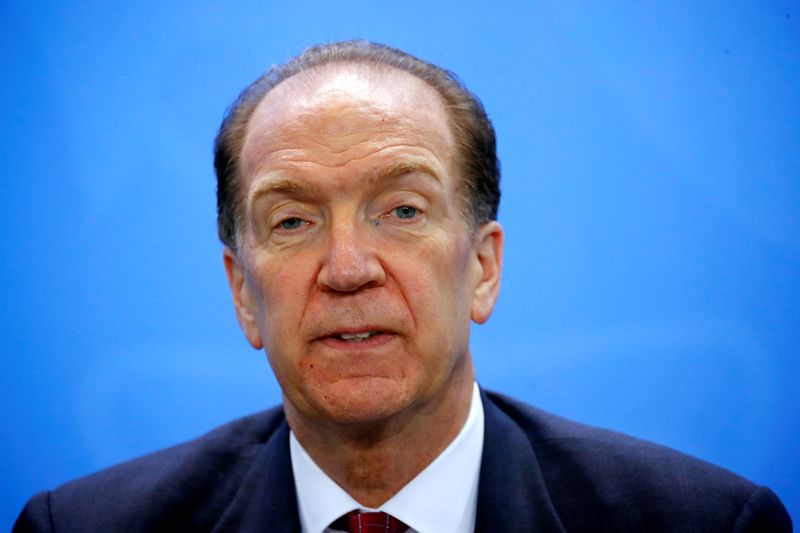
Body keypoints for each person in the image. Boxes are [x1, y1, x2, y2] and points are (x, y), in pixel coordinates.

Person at [15, 40, 791, 533]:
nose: (348, 267)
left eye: (402, 210)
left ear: (482, 266)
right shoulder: (83, 525)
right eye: (292, 222)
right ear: (243, 292)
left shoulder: (703, 521)